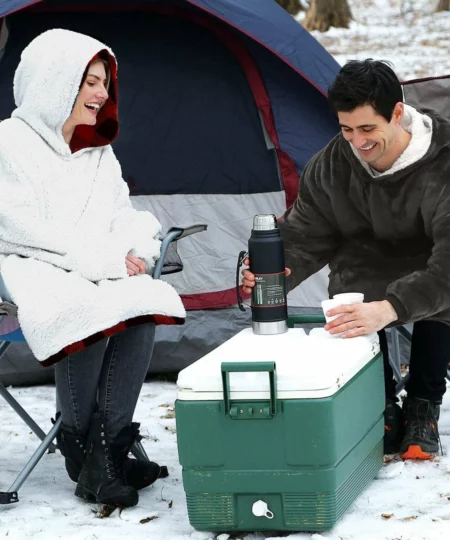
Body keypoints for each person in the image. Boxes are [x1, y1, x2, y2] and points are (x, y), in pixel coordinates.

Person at [0, 29, 186, 507]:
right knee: (86, 305)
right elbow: (19, 227)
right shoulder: (7, 144)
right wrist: (103, 260)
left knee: (142, 297)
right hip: (28, 268)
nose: (103, 93)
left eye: (105, 83)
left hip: (90, 266)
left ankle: (103, 454)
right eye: (91, 82)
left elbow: (120, 212)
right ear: (54, 82)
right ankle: (91, 452)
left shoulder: (97, 151)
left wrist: (136, 249)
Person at [242, 59, 450, 460]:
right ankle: (382, 406)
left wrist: (391, 307)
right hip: (367, 260)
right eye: (347, 129)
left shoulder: (443, 159)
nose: (357, 142)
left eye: (368, 129)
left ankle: (423, 407)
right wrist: (277, 272)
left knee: (438, 299)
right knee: (349, 299)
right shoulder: (334, 162)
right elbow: (305, 232)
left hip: (436, 265)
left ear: (398, 113)